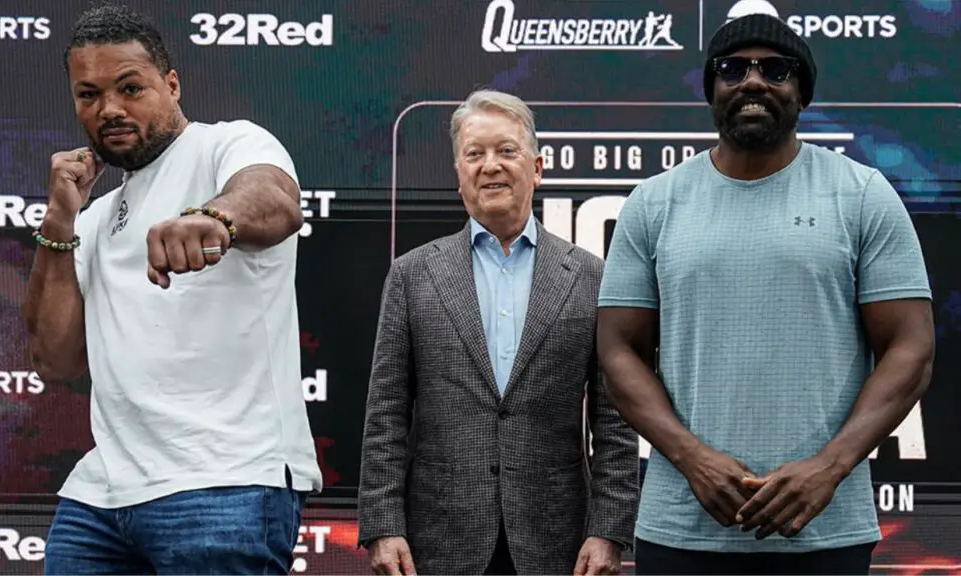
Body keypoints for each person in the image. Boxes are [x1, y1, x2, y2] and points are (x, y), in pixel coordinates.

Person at [596, 13, 934, 576]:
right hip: (683, 529)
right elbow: (617, 351)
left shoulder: (862, 195)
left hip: (823, 531)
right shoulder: (654, 203)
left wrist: (829, 468)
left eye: (776, 69)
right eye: (733, 69)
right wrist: (691, 459)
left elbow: (911, 348)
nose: (753, 81)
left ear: (801, 92)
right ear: (712, 91)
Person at [22, 4, 322, 574]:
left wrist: (214, 219)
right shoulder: (92, 216)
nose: (109, 108)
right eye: (89, 95)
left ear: (172, 84)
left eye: (130, 87)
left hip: (225, 483)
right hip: (101, 497)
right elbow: (56, 360)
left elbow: (275, 200)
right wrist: (59, 221)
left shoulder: (227, 145)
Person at [357, 89, 640, 575]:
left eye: (506, 151)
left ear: (536, 167)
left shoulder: (592, 277)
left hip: (559, 542)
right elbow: (386, 410)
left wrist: (609, 529)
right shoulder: (412, 275)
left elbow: (615, 422)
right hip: (439, 539)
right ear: (459, 173)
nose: (490, 165)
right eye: (475, 153)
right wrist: (383, 524)